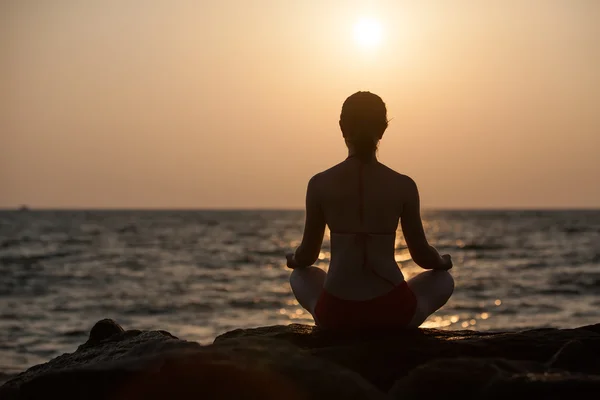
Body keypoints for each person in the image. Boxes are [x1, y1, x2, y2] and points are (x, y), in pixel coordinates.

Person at [286, 91, 454, 329]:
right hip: (392, 314)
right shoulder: (403, 185)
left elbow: (308, 256)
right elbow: (423, 256)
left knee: (300, 274)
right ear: (383, 130)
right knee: (442, 279)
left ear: (342, 128)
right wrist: (442, 261)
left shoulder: (319, 183)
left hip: (336, 315)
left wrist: (294, 259)